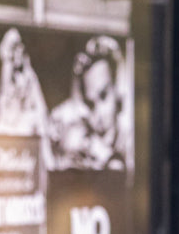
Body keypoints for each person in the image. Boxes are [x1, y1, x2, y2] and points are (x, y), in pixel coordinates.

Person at [46, 35, 127, 170]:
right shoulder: (76, 128)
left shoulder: (132, 136)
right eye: (90, 104)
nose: (98, 114)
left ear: (118, 90)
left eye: (104, 96)